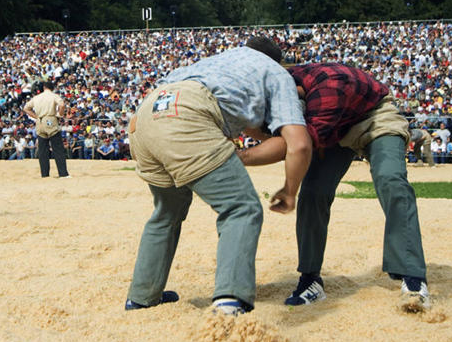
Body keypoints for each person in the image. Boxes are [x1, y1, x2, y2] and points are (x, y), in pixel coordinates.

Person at [125, 37, 312, 315]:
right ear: (277, 61)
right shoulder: (276, 73)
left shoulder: (218, 61)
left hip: (145, 118)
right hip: (190, 115)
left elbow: (245, 122)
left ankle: (141, 296)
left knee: (166, 211)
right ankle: (230, 301)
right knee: (241, 208)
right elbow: (300, 144)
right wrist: (289, 190)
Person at [240, 62, 430, 312]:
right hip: (333, 127)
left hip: (373, 118)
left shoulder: (329, 86)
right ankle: (310, 278)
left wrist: (244, 158)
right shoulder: (281, 85)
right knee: (314, 191)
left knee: (390, 179)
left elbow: (298, 146)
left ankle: (412, 274)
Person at [23, 81, 70, 178]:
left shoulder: (36, 97)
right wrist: (59, 115)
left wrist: (35, 116)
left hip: (40, 121)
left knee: (42, 149)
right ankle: (63, 173)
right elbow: (61, 105)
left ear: (44, 87)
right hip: (50, 120)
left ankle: (44, 174)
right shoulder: (53, 96)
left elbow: (26, 108)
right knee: (57, 148)